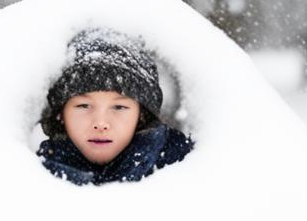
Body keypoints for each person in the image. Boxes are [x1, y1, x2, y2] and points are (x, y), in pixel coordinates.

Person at [37, 28, 194, 185]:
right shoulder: (33, 176)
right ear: (61, 115)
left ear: (141, 114)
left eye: (118, 107)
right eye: (84, 105)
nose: (101, 123)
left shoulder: (189, 170)